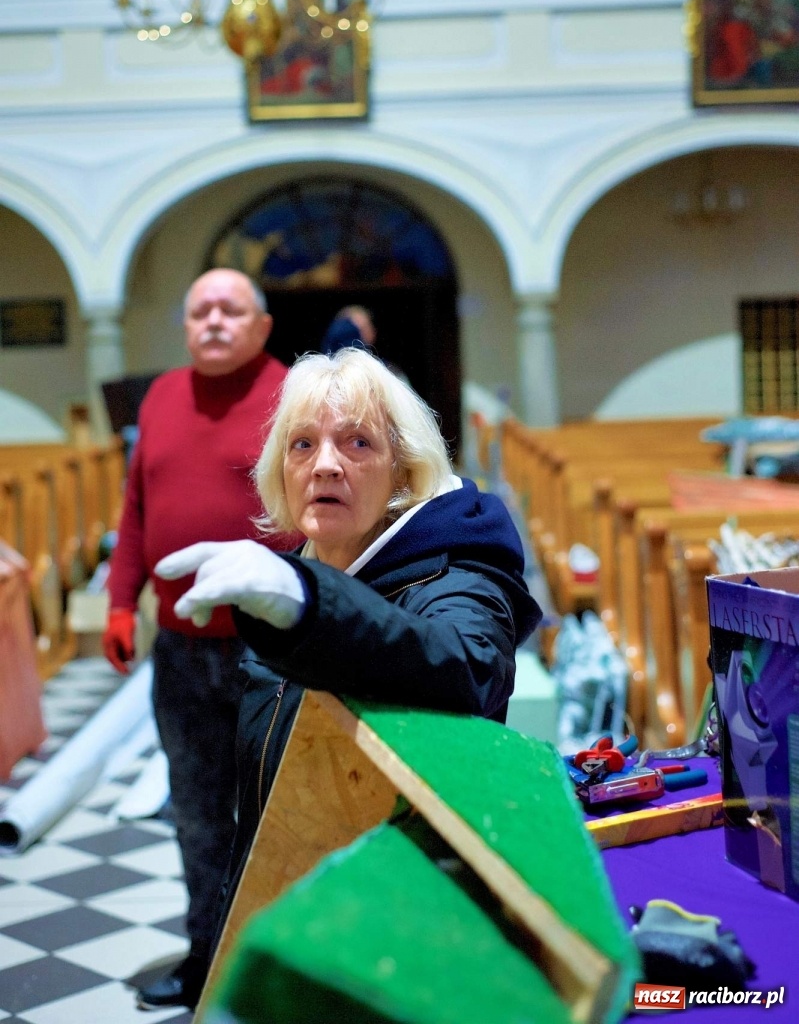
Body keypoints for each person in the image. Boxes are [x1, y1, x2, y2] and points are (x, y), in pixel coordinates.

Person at [155, 346, 542, 956]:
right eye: (302, 444)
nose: (325, 466)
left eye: (357, 443)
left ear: (403, 471)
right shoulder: (293, 579)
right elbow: (263, 805)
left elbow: (468, 665)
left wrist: (308, 605)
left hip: (408, 932)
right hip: (301, 922)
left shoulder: (458, 575)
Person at [103, 268, 298, 1011]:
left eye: (230, 309)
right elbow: (136, 505)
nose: (213, 321)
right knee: (196, 810)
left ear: (261, 325)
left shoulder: (293, 396)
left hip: (274, 649)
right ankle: (207, 957)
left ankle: (282, 962)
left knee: (279, 811)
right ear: (185, 326)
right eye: (199, 311)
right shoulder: (160, 396)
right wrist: (121, 604)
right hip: (182, 653)